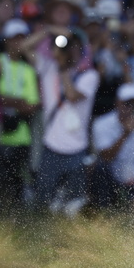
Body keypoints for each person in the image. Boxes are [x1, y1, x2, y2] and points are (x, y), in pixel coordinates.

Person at [31, 31, 99, 215]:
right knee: (43, 202)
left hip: (76, 147)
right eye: (69, 46)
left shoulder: (90, 76)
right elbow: (23, 48)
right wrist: (48, 30)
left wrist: (63, 70)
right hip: (51, 144)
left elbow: (71, 95)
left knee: (73, 206)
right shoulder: (47, 67)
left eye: (76, 47)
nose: (72, 51)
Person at [89, 83, 134, 210]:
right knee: (99, 168)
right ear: (117, 103)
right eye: (127, 104)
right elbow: (106, 157)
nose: (131, 108)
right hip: (113, 181)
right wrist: (125, 134)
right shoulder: (102, 124)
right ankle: (104, 210)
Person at [0, 18, 40, 211]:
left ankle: (13, 213)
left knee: (16, 179)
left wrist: (7, 101)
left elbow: (32, 105)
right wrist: (16, 102)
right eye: (14, 39)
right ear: (6, 40)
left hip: (20, 133)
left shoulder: (28, 69)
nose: (17, 43)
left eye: (21, 39)